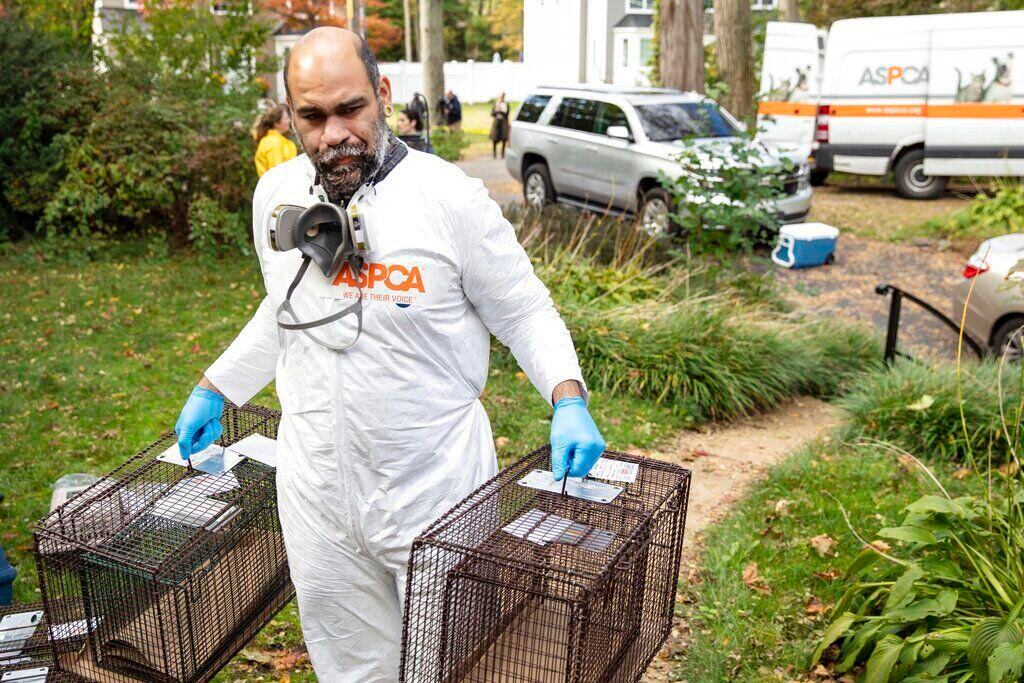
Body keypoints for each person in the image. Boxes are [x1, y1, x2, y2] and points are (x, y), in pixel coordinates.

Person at [173, 27, 604, 681]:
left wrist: (567, 397)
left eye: (350, 109)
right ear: (290, 116)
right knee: (348, 661)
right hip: (317, 489)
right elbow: (288, 312)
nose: (332, 134)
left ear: (382, 94)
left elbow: (524, 311)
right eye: (312, 117)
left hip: (434, 491)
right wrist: (217, 385)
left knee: (443, 660)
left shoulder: (448, 198)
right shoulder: (279, 198)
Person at [251, 104, 297, 177]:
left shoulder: (275, 140)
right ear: (276, 123)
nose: (289, 120)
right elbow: (277, 175)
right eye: (286, 117)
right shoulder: (273, 143)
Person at [489, 92, 510, 159]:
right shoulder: (496, 104)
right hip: (496, 123)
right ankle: (494, 154)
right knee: (494, 139)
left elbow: (507, 114)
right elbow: (492, 113)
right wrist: (496, 111)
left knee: (503, 138)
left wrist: (502, 111)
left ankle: (502, 154)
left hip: (503, 123)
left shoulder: (506, 104)